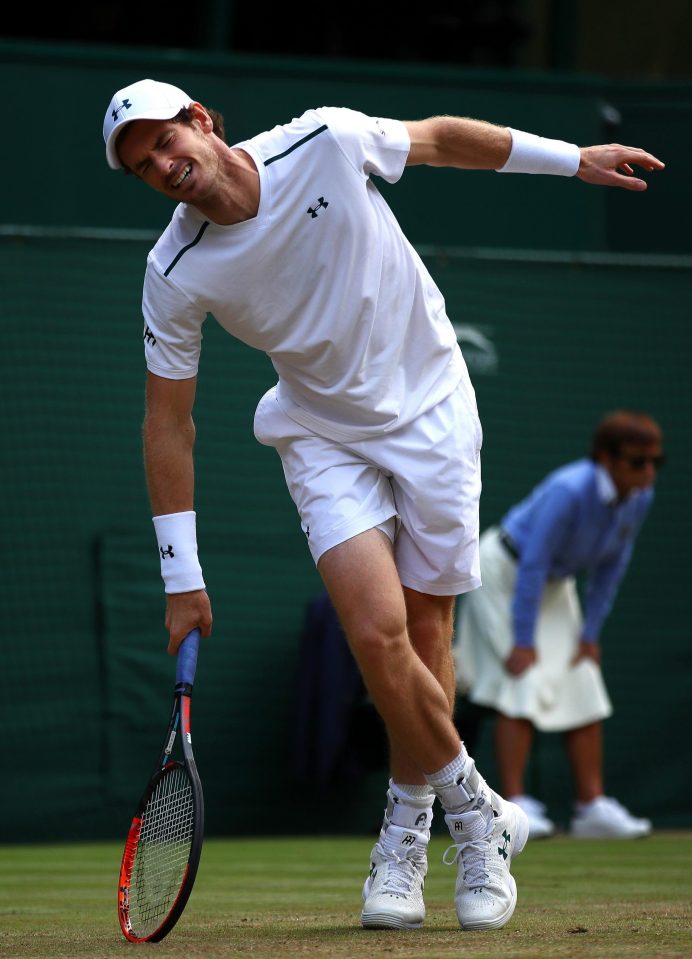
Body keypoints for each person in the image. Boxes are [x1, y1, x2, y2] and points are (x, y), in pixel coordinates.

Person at [102, 78, 664, 931]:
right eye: (144, 167)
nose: (164, 166)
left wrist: (571, 160)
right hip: (322, 435)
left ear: (203, 122)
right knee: (376, 632)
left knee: (426, 634)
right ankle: (480, 816)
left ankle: (407, 826)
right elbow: (166, 422)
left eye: (166, 141)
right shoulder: (172, 271)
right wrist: (182, 576)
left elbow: (441, 136)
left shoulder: (323, 139)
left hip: (434, 407)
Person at [454, 411, 663, 840]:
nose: (647, 472)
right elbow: (533, 563)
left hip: (553, 584)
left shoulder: (640, 497)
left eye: (654, 463)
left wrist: (590, 636)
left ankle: (590, 806)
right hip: (505, 573)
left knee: (581, 675)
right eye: (636, 462)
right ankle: (514, 808)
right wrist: (524, 640)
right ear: (606, 458)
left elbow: (612, 568)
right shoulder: (570, 489)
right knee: (521, 677)